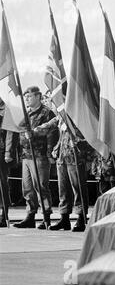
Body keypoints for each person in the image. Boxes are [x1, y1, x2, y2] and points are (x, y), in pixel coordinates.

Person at [35, 115, 93, 232]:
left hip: (76, 156)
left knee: (78, 188)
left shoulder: (80, 113)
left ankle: (81, 218)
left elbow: (91, 134)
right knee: (63, 189)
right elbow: (50, 124)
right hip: (62, 156)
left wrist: (82, 145)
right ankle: (64, 218)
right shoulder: (62, 114)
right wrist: (34, 130)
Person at [13, 86, 58, 229]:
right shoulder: (27, 113)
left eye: (30, 96)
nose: (27, 99)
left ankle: (46, 217)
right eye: (26, 96)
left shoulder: (47, 113)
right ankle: (30, 216)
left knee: (41, 187)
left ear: (38, 97)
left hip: (40, 155)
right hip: (27, 155)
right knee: (27, 188)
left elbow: (52, 133)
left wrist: (50, 153)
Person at [0, 100, 19, 227]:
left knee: (2, 184)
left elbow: (11, 132)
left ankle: (4, 214)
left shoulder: (8, 109)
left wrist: (8, 152)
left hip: (1, 152)